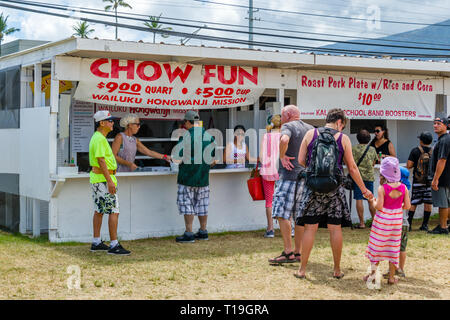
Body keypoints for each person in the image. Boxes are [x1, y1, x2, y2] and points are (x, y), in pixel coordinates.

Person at [294, 108, 373, 279]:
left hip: (312, 187)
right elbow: (351, 167)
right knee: (335, 228)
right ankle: (336, 270)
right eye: (343, 125)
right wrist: (364, 189)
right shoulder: (342, 138)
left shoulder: (310, 134)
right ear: (339, 122)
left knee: (310, 228)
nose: (342, 128)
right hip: (334, 188)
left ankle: (302, 270)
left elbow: (300, 160)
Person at [268, 105, 313, 264]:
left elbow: (284, 139)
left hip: (288, 176)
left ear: (287, 115)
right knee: (299, 216)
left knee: (281, 212)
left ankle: (288, 252)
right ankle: (298, 252)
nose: (281, 120)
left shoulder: (288, 126)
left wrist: (282, 156)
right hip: (304, 177)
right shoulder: (310, 128)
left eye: (282, 116)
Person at [89, 110, 130, 255]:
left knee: (99, 210)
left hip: (98, 179)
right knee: (114, 211)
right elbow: (101, 160)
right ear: (102, 123)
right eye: (110, 121)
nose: (113, 123)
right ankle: (114, 244)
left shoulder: (97, 137)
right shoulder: (100, 139)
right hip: (104, 180)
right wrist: (109, 181)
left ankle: (96, 241)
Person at [364, 157, 411, 285]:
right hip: (396, 223)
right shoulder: (403, 188)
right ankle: (391, 278)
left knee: (377, 247)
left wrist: (372, 200)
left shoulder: (382, 188)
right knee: (393, 248)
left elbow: (378, 207)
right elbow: (407, 206)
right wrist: (397, 207)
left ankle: (373, 275)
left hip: (382, 223)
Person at [172, 111, 216, 243]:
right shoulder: (209, 137)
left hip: (187, 176)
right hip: (203, 177)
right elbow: (212, 158)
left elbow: (177, 157)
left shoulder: (185, 137)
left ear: (187, 122)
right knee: (203, 205)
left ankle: (189, 233)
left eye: (184, 122)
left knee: (187, 205)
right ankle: (203, 231)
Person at [406, 131, 433, 231]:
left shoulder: (415, 151)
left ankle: (409, 224)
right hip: (430, 181)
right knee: (428, 202)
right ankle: (425, 225)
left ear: (421, 140)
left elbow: (409, 165)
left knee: (414, 202)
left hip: (418, 180)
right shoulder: (434, 151)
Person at [259, 114, 281, 238]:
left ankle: (270, 229)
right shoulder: (284, 136)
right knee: (284, 199)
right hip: (282, 172)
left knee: (269, 201)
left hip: (268, 171)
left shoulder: (266, 136)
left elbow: (262, 157)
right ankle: (290, 228)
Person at [352, 129, 378, 228]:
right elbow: (374, 163)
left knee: (359, 199)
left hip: (358, 177)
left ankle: (362, 223)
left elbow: (350, 163)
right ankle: (374, 223)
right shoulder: (372, 149)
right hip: (369, 177)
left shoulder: (353, 149)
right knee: (370, 199)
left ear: (358, 138)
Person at [428, 117, 450, 235]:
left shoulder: (444, 140)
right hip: (445, 176)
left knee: (443, 203)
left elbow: (442, 160)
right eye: (434, 123)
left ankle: (443, 227)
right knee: (446, 202)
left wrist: (435, 178)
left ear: (446, 126)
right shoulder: (443, 139)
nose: (435, 126)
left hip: (442, 177)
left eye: (439, 124)